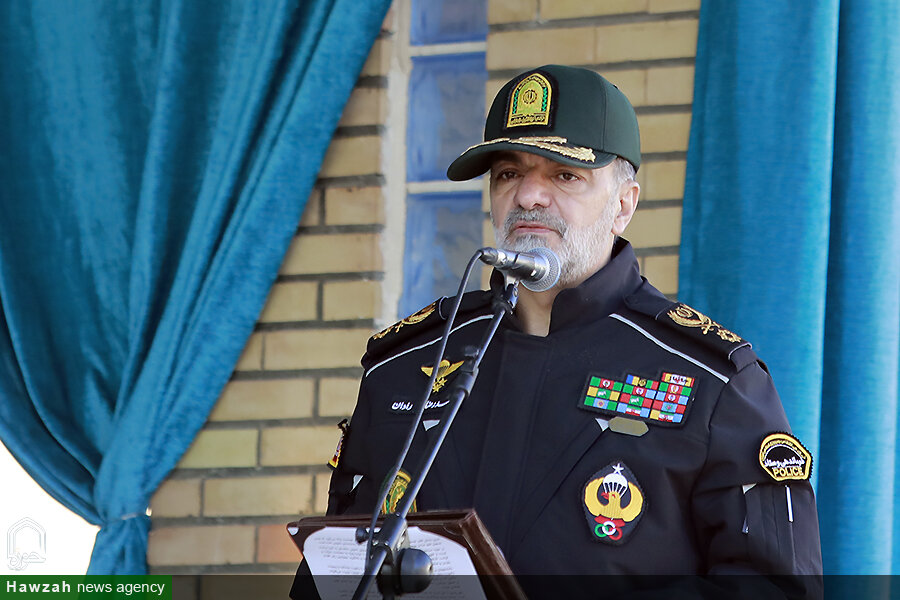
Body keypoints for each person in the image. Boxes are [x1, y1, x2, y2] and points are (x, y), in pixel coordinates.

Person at [295, 65, 822, 598]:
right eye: (508, 173)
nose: (528, 196)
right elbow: (330, 574)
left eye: (565, 175)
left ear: (623, 204)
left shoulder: (712, 380)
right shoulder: (404, 365)